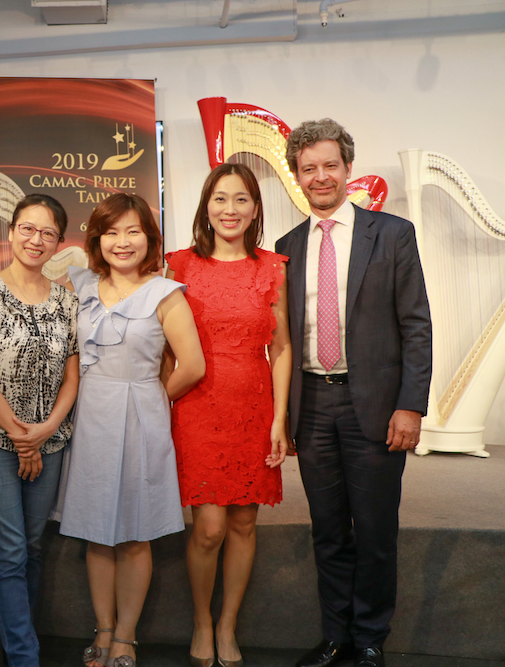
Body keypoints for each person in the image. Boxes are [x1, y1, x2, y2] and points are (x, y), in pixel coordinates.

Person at [275, 120, 432, 667]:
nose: (320, 176)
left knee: (374, 530)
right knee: (327, 530)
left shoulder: (392, 234)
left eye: (329, 165)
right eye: (308, 168)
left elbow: (416, 325)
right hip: (312, 406)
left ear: (347, 169)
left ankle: (369, 639)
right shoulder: (286, 247)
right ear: (297, 176)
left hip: (377, 406)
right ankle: (335, 635)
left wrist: (410, 404)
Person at [60, 193, 206, 667]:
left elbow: (193, 365)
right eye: (111, 232)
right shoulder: (78, 285)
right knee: (95, 531)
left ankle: (126, 636)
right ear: (97, 240)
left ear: (149, 239)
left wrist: (152, 395)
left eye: (132, 231)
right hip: (90, 416)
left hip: (141, 415)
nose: (122, 242)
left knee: (135, 534)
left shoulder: (166, 293)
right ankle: (103, 629)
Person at [165, 163, 291, 667]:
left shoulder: (272, 267)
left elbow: (280, 348)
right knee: (210, 528)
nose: (230, 209)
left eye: (241, 199)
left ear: (255, 209)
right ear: (206, 207)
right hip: (197, 407)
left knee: (243, 523)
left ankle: (227, 625)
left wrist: (279, 419)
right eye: (220, 198)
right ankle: (201, 620)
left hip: (254, 407)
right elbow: (165, 346)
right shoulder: (180, 265)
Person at [0, 194, 80, 667]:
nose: (36, 239)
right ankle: (25, 657)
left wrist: (44, 431)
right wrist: (19, 435)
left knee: (32, 546)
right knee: (9, 549)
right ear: (10, 232)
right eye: (27, 229)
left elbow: (72, 378)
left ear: (58, 242)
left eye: (47, 233)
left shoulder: (67, 300)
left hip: (50, 440)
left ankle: (21, 641)